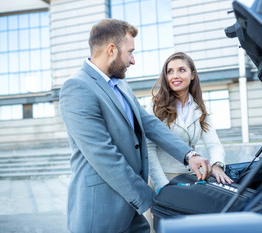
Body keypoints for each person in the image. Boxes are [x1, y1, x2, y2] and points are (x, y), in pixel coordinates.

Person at [59, 19, 212, 233]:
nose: (133, 61)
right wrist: (151, 199)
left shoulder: (120, 84)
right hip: (101, 213)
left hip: (131, 212)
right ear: (111, 50)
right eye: (130, 52)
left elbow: (149, 124)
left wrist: (189, 155)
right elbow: (104, 155)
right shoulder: (77, 87)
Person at [146, 52, 233, 192]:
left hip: (192, 179)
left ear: (192, 75)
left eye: (181, 70)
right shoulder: (156, 105)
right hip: (161, 180)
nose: (175, 76)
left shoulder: (200, 108)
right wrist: (161, 185)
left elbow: (214, 144)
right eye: (170, 71)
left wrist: (217, 165)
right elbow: (148, 148)